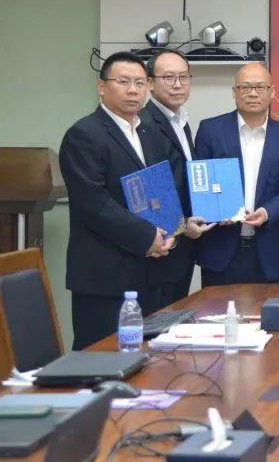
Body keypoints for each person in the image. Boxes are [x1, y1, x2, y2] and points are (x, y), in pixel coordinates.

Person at [59, 52, 205, 349]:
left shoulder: (149, 133)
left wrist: (175, 227)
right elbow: (94, 204)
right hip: (106, 277)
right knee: (102, 359)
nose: (133, 90)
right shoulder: (84, 134)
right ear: (102, 87)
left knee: (152, 359)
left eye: (139, 83)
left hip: (151, 271)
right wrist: (146, 236)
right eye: (123, 82)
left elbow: (159, 191)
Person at [194, 63, 279, 285]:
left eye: (260, 87)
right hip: (220, 250)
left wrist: (268, 212)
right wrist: (215, 210)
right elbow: (199, 181)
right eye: (245, 87)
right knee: (217, 308)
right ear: (234, 92)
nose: (253, 93)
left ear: (272, 92)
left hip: (268, 253)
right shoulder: (210, 130)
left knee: (270, 309)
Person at [141, 48, 199, 303]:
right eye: (169, 77)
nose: (178, 84)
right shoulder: (143, 124)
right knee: (158, 318)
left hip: (182, 244)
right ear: (150, 83)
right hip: (159, 244)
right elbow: (151, 189)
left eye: (183, 77)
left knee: (175, 315)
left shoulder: (181, 121)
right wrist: (181, 227)